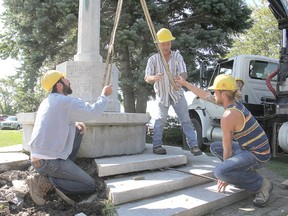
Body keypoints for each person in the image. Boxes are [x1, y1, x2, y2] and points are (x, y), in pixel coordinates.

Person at [175, 74, 273, 207]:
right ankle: (244, 172)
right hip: (248, 149)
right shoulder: (233, 103)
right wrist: (185, 83)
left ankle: (261, 184)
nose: (212, 93)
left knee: (219, 171)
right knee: (215, 147)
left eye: (215, 91)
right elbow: (204, 95)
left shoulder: (229, 116)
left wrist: (226, 175)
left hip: (258, 155)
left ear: (223, 93)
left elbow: (227, 149)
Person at [27, 70, 112, 206]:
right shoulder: (66, 101)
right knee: (89, 184)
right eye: (65, 79)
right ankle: (45, 182)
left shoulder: (47, 101)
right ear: (59, 85)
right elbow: (93, 111)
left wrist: (75, 123)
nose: (68, 81)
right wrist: (104, 95)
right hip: (48, 162)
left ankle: (60, 172)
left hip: (39, 159)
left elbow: (55, 121)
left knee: (78, 130)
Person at [144, 28, 202, 156]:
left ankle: (194, 146)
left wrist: (181, 80)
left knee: (186, 119)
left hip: (177, 94)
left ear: (171, 43)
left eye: (168, 43)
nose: (166, 46)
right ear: (158, 44)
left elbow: (183, 72)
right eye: (163, 44)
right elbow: (147, 77)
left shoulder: (177, 56)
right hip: (162, 95)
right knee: (160, 119)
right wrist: (154, 78)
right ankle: (157, 146)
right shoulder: (153, 59)